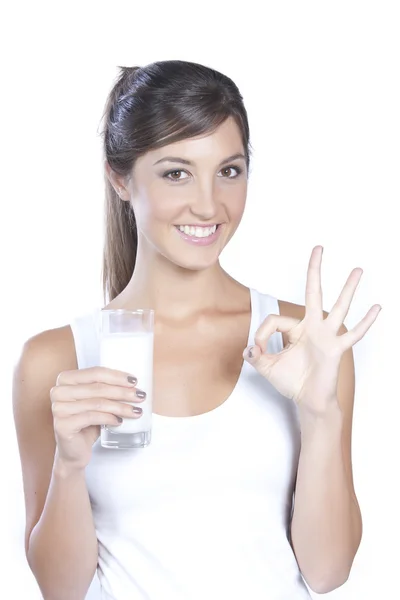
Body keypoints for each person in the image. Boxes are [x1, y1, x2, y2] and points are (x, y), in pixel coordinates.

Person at [12, 60, 381, 600]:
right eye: (176, 172)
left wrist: (321, 413)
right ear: (120, 177)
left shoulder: (304, 342)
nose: (209, 205)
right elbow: (60, 590)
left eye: (229, 170)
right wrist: (70, 466)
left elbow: (327, 572)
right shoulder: (54, 361)